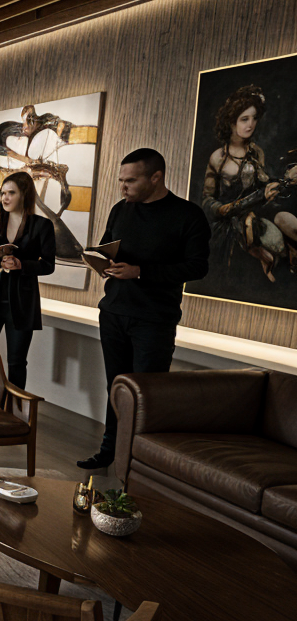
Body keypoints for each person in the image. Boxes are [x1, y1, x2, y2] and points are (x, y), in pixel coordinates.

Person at [78, 147, 211, 471]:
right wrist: (101, 261)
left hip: (154, 319)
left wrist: (141, 272)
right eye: (121, 180)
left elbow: (198, 267)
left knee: (146, 394)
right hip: (113, 312)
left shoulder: (187, 215)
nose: (123, 187)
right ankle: (109, 451)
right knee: (117, 387)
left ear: (155, 177)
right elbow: (108, 245)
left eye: (131, 181)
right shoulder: (120, 209)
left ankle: (140, 463)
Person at [0, 171, 55, 389]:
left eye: (11, 193)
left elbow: (48, 265)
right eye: (3, 193)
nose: (5, 198)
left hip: (22, 301)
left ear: (24, 194)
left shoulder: (42, 226)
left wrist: (21, 264)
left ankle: (14, 408)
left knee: (16, 362)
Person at [200, 85, 297, 283]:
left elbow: (263, 187)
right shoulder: (218, 158)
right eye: (244, 119)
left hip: (258, 211)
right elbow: (207, 201)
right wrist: (226, 209)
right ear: (231, 121)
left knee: (289, 222)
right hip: (232, 222)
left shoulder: (257, 152)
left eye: (254, 118)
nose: (251, 124)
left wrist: (286, 180)